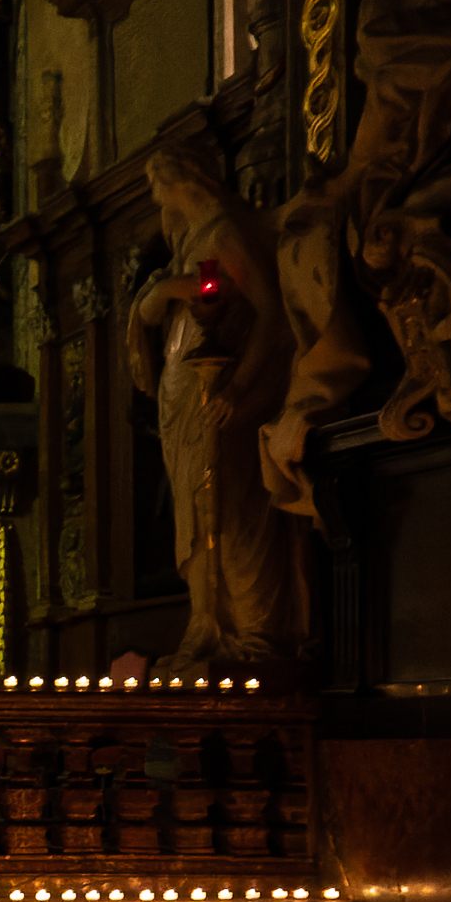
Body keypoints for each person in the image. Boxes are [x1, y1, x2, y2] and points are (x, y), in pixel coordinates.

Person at [128, 148, 303, 668]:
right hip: (185, 394)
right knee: (195, 510)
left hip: (219, 393)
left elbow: (272, 313)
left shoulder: (224, 233)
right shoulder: (191, 242)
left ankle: (254, 631)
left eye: (155, 185)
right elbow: (170, 310)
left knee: (230, 507)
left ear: (178, 182)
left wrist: (238, 388)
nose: (155, 198)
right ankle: (205, 621)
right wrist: (162, 293)